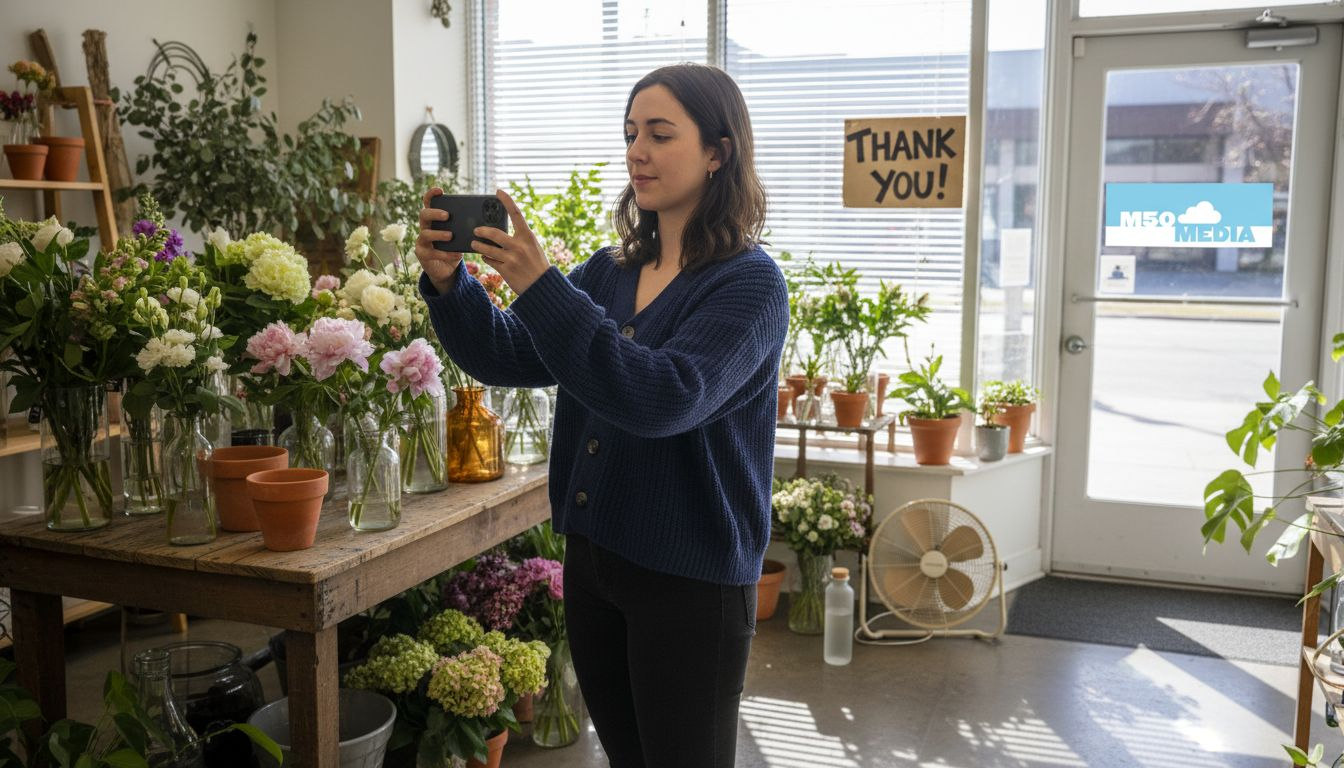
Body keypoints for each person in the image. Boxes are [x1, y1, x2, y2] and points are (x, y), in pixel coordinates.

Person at [414, 62, 788, 768]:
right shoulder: (611, 271)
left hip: (691, 583)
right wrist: (449, 283)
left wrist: (539, 285)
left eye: (660, 134)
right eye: (629, 134)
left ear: (718, 151)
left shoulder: (750, 285)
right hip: (596, 564)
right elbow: (504, 354)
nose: (637, 152)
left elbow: (663, 396)